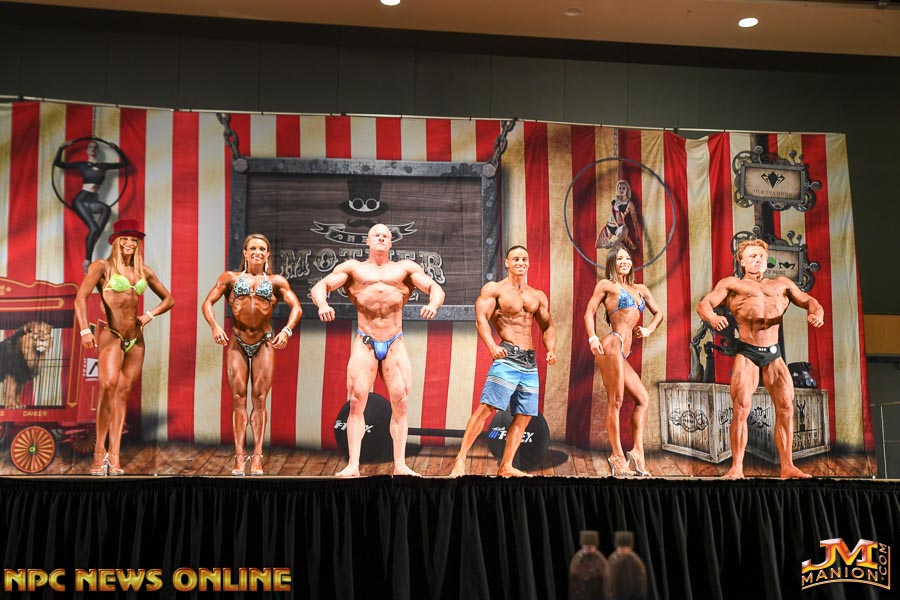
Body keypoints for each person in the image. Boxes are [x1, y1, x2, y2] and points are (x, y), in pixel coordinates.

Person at [311, 223, 445, 477]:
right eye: (376, 235)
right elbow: (321, 286)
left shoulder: (405, 269)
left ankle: (400, 464)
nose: (381, 238)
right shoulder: (353, 268)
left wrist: (433, 305)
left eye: (385, 236)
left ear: (391, 243)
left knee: (401, 402)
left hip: (394, 341)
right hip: (365, 341)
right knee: (356, 401)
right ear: (367, 241)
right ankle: (353, 465)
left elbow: (434, 288)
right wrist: (322, 305)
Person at [697, 238, 823, 479]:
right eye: (752, 256)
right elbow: (704, 305)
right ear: (742, 261)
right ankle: (737, 467)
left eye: (762, 256)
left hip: (773, 353)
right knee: (741, 408)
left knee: (786, 408)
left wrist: (817, 313)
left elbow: (810, 301)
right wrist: (713, 318)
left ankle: (788, 466)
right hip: (748, 352)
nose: (758, 260)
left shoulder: (782, 284)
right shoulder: (732, 284)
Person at [75, 218, 174, 476]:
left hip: (135, 339)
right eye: (125, 239)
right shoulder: (102, 266)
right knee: (108, 387)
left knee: (123, 393)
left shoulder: (143, 271)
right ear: (116, 241)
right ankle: (99, 453)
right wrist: (85, 330)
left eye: (134, 240)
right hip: (111, 334)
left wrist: (149, 315)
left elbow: (169, 299)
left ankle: (115, 455)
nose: (130, 243)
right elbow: (80, 298)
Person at [449, 245, 556, 477]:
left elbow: (548, 326)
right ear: (507, 263)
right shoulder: (494, 289)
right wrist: (491, 346)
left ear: (529, 263)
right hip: (508, 357)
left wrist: (550, 349)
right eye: (515, 259)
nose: (520, 263)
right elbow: (481, 319)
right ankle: (460, 460)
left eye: (524, 259)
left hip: (529, 363)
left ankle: (506, 466)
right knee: (486, 408)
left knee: (525, 415)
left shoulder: (537, 295)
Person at [201, 233, 302, 476]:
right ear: (245, 253)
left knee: (260, 398)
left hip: (264, 341)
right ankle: (239, 456)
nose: (258, 252)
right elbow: (207, 303)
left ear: (267, 254)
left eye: (262, 249)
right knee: (238, 398)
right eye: (253, 248)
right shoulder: (230, 277)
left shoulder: (276, 281)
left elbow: (296, 308)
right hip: (237, 341)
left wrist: (287, 331)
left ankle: (257, 456)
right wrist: (215, 326)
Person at [584, 245, 663, 476]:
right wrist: (592, 338)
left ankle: (637, 452)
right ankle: (617, 456)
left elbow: (659, 313)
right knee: (616, 400)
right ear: (612, 262)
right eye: (619, 259)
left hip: (623, 351)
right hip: (612, 343)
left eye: (627, 258)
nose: (625, 262)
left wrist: (648, 330)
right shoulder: (606, 285)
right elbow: (589, 312)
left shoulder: (640, 289)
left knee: (643, 399)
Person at [54, 139, 129, 272]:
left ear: (98, 151)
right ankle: (87, 261)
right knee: (94, 228)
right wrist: (61, 148)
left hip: (93, 200)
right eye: (90, 147)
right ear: (87, 150)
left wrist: (117, 149)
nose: (93, 149)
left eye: (95, 147)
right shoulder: (82, 165)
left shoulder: (103, 166)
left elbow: (125, 164)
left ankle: (93, 240)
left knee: (106, 209)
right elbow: (58, 163)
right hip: (80, 200)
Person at [596, 180, 642, 251]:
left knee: (625, 229)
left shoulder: (630, 203)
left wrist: (638, 235)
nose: (621, 190)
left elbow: (635, 221)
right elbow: (612, 214)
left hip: (619, 228)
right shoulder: (614, 201)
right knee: (598, 245)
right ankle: (618, 244)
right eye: (620, 188)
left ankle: (614, 243)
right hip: (609, 226)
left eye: (624, 188)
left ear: (627, 189)